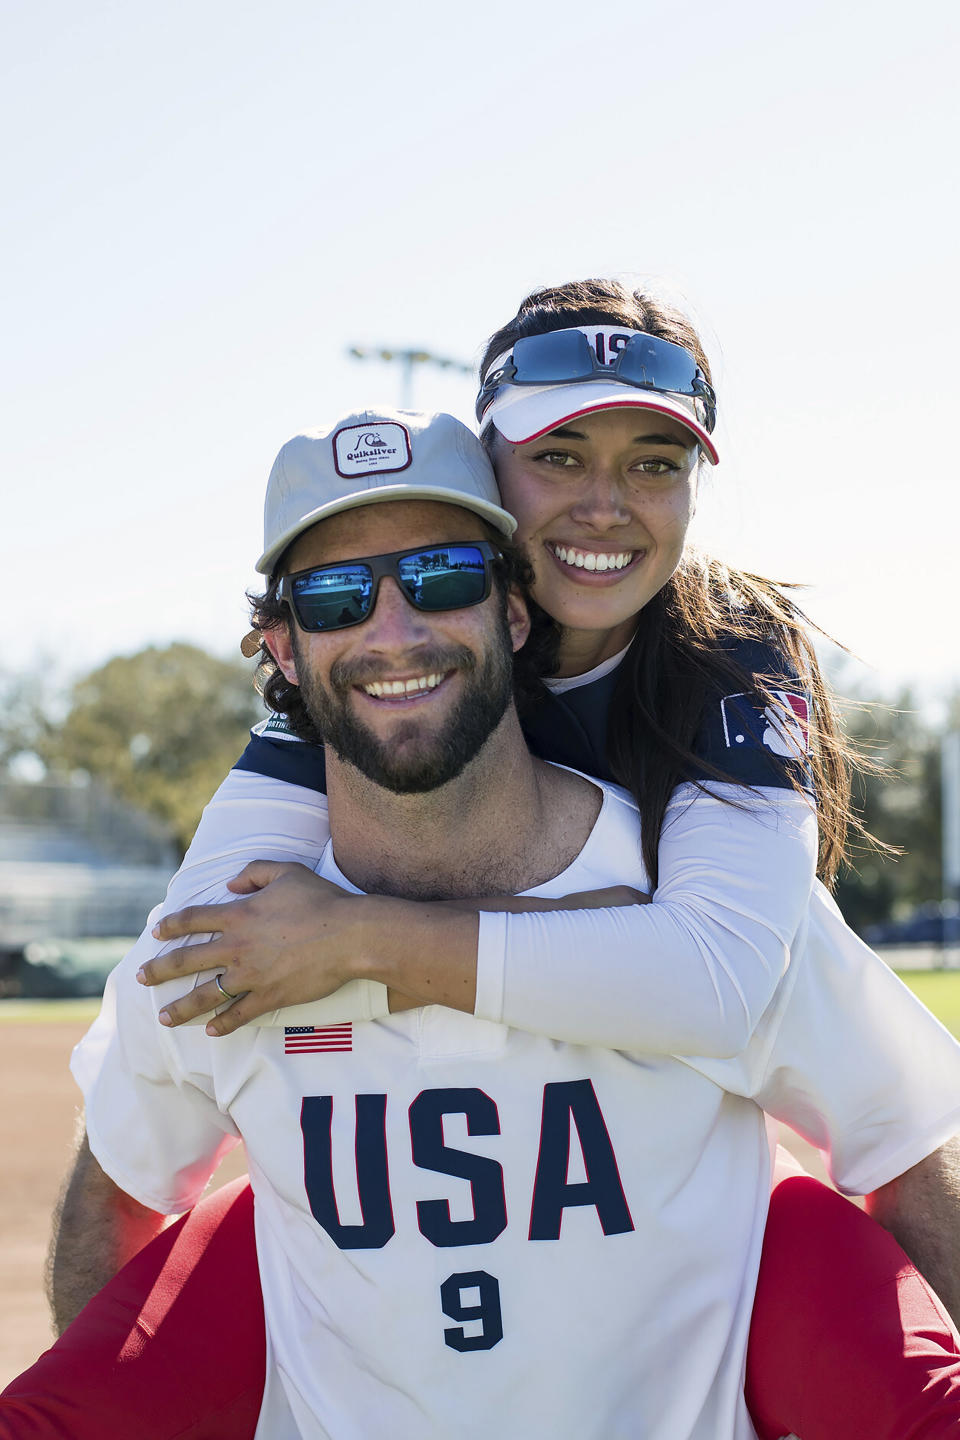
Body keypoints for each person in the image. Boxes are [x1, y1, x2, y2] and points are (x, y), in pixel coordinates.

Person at [26, 410, 960, 1439]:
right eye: (337, 596)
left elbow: (914, 1152)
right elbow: (118, 1195)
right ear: (282, 649)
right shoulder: (225, 934)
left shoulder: (712, 909)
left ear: (515, 614)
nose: (394, 632)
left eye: (443, 578)